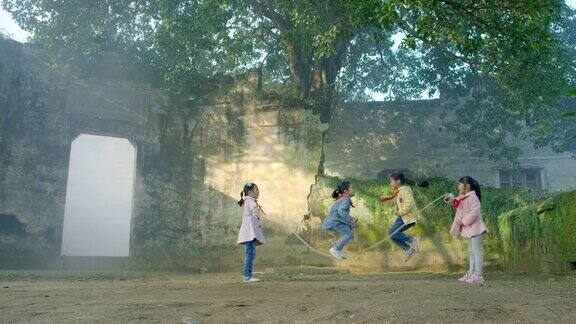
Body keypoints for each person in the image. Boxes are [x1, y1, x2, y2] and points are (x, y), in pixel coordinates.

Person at [444, 176, 488, 284]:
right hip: (470, 229)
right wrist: (449, 199)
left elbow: (475, 213)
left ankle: (478, 275)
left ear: (467, 186)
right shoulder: (463, 197)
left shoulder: (473, 198)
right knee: (472, 252)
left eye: (460, 184)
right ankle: (471, 272)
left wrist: (463, 221)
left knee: (476, 252)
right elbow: (456, 202)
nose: (458, 186)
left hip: (476, 228)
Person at [380, 172, 427, 261]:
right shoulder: (400, 192)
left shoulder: (405, 191)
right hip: (402, 217)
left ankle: (412, 239)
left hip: (407, 217)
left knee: (392, 233)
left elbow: (410, 204)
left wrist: (400, 212)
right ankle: (409, 249)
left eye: (391, 181)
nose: (390, 183)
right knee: (392, 234)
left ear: (398, 181)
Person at [322, 181, 358, 260]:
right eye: (352, 188)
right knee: (349, 233)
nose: (354, 189)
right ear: (346, 191)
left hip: (335, 221)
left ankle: (338, 249)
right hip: (335, 221)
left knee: (348, 232)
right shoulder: (346, 199)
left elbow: (341, 214)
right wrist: (351, 219)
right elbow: (341, 212)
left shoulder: (343, 198)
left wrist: (351, 223)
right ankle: (335, 249)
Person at [237, 183, 266, 283]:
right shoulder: (250, 200)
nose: (258, 192)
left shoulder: (248, 201)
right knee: (250, 254)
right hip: (249, 233)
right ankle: (247, 276)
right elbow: (255, 210)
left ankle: (247, 276)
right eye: (256, 190)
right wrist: (258, 212)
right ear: (250, 192)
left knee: (250, 254)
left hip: (249, 233)